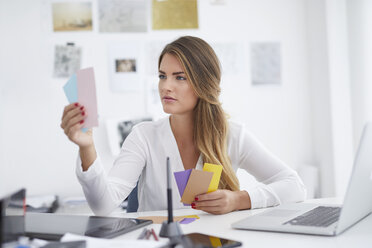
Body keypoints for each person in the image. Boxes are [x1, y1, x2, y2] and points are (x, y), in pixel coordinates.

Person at [60, 36, 306, 216]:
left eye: (180, 77)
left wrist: (239, 200)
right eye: (162, 76)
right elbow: (103, 206)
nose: (166, 86)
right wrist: (87, 147)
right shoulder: (143, 136)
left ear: (203, 83)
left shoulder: (232, 135)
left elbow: (294, 186)